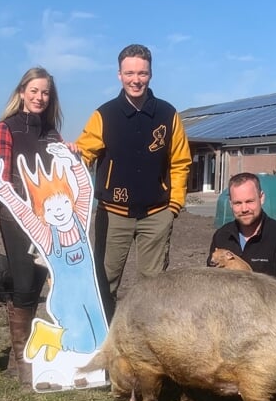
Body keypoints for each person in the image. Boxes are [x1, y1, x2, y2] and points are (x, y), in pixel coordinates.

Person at [0, 67, 104, 384]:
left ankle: (34, 354)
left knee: (41, 283)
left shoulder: (52, 133)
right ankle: (23, 363)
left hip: (52, 224)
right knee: (25, 287)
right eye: (34, 91)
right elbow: (1, 171)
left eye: (46, 92)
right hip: (19, 221)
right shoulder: (6, 128)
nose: (40, 97)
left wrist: (73, 156)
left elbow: (62, 180)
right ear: (22, 92)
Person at [76, 43, 191, 317]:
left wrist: (173, 206)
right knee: (104, 282)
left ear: (150, 74)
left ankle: (148, 345)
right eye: (129, 73)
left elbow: (180, 162)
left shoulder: (167, 114)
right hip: (113, 214)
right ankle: (104, 345)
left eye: (142, 73)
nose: (135, 80)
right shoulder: (104, 115)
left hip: (156, 215)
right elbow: (82, 157)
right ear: (119, 75)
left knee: (153, 287)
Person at [207, 172, 276, 301]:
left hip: (271, 313)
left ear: (261, 198)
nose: (244, 209)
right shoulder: (222, 236)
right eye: (237, 203)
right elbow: (212, 281)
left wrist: (257, 295)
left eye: (249, 201)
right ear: (230, 203)